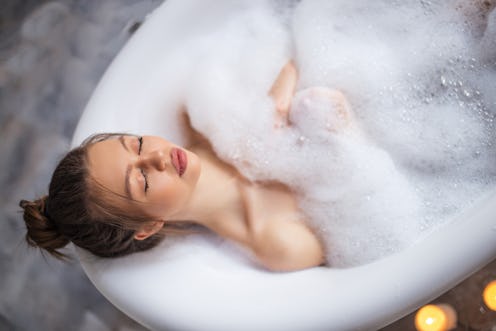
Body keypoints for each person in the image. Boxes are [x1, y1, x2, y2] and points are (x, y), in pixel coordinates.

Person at [20, 60, 353, 272]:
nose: (156, 157)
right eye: (141, 179)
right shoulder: (278, 242)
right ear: (148, 227)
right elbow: (360, 205)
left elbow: (298, 57)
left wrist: (277, 106)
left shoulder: (201, 118)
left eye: (135, 144)